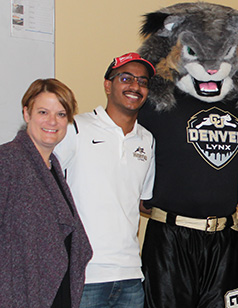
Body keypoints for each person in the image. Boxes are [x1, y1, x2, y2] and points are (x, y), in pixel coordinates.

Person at [138, 49, 238, 308]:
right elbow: (125, 145)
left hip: (222, 239)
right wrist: (137, 195)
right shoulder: (159, 102)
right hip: (169, 239)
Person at [54, 52, 156, 307]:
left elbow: (144, 203)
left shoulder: (147, 140)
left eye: (142, 82)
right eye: (126, 78)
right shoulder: (75, 129)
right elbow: (45, 189)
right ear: (108, 85)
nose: (135, 86)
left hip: (131, 275)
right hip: (84, 275)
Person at [0, 79, 92, 307]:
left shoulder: (53, 166)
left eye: (61, 114)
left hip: (54, 292)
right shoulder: (8, 160)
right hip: (18, 294)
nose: (52, 121)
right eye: (43, 112)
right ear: (26, 113)